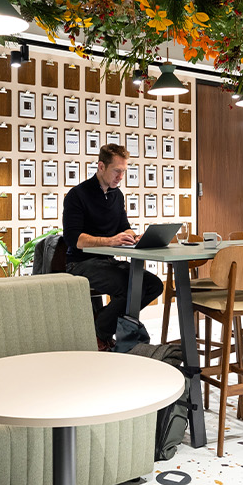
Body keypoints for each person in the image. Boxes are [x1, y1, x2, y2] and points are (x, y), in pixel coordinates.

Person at [62, 144, 163, 350]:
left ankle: (99, 326)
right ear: (101, 166)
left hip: (106, 262)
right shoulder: (77, 195)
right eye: (117, 171)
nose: (121, 177)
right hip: (80, 264)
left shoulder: (117, 195)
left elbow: (123, 227)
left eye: (124, 172)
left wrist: (135, 236)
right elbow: (75, 239)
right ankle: (101, 332)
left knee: (154, 285)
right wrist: (110, 241)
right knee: (131, 287)